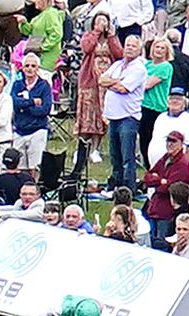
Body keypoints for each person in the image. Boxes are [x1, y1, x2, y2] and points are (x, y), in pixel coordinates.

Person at [100, 35, 148, 189]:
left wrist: (112, 82)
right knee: (115, 155)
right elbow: (101, 80)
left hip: (128, 117)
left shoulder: (139, 69)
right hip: (113, 116)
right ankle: (116, 185)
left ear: (139, 50)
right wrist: (118, 80)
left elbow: (123, 89)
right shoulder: (117, 64)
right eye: (127, 45)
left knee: (127, 156)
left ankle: (129, 187)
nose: (129, 48)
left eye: (133, 46)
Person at [78, 13, 123, 164]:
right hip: (89, 81)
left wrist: (111, 36)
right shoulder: (88, 36)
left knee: (101, 115)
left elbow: (119, 54)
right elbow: (86, 48)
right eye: (99, 21)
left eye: (104, 21)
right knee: (87, 115)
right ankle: (82, 148)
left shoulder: (112, 38)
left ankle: (95, 149)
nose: (102, 24)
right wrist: (96, 32)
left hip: (106, 82)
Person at [143, 131, 189, 249]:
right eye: (168, 140)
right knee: (150, 243)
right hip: (154, 208)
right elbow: (147, 177)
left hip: (167, 212)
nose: (170, 144)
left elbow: (170, 188)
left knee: (162, 244)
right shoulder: (165, 158)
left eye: (174, 141)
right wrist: (161, 180)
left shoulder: (183, 163)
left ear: (181, 144)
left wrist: (157, 181)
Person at [11, 53, 53, 174]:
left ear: (37, 68)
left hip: (37, 130)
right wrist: (32, 102)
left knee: (35, 167)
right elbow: (13, 102)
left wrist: (24, 107)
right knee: (20, 166)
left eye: (33, 66)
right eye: (27, 65)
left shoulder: (44, 86)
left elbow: (45, 109)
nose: (30, 68)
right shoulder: (17, 85)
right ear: (23, 68)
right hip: (19, 129)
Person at [138, 37, 176, 167]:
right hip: (143, 105)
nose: (159, 50)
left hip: (156, 108)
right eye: (157, 47)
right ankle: (148, 167)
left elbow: (147, 85)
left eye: (162, 48)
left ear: (167, 51)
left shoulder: (165, 67)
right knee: (144, 139)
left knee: (154, 141)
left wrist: (132, 83)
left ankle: (155, 167)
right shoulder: (146, 65)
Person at [148, 87, 189, 162]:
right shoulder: (161, 117)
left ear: (185, 103)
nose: (175, 101)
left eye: (179, 99)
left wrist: (180, 165)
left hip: (176, 170)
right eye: (172, 98)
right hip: (157, 167)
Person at [16, 0, 64, 74]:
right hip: (36, 54)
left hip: (46, 58)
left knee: (43, 79)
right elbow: (28, 31)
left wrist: (42, 47)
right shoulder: (41, 15)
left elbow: (57, 34)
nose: (35, 1)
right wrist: (23, 22)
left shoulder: (51, 13)